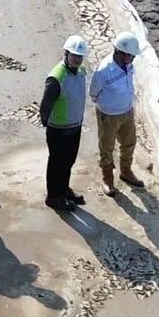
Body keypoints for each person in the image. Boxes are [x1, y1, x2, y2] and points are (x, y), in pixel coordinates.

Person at [38, 35, 91, 211]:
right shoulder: (56, 78)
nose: (77, 59)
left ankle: (63, 189)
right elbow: (45, 106)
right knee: (56, 164)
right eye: (74, 55)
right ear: (66, 54)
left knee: (68, 162)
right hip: (58, 131)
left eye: (80, 56)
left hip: (74, 127)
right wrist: (49, 125)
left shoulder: (81, 71)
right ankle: (53, 196)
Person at [91, 34, 144, 192]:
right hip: (109, 116)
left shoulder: (128, 65)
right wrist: (107, 105)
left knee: (129, 142)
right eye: (132, 55)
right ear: (121, 53)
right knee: (106, 147)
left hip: (127, 111)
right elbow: (94, 92)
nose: (134, 58)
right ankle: (108, 178)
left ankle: (126, 171)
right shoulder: (104, 70)